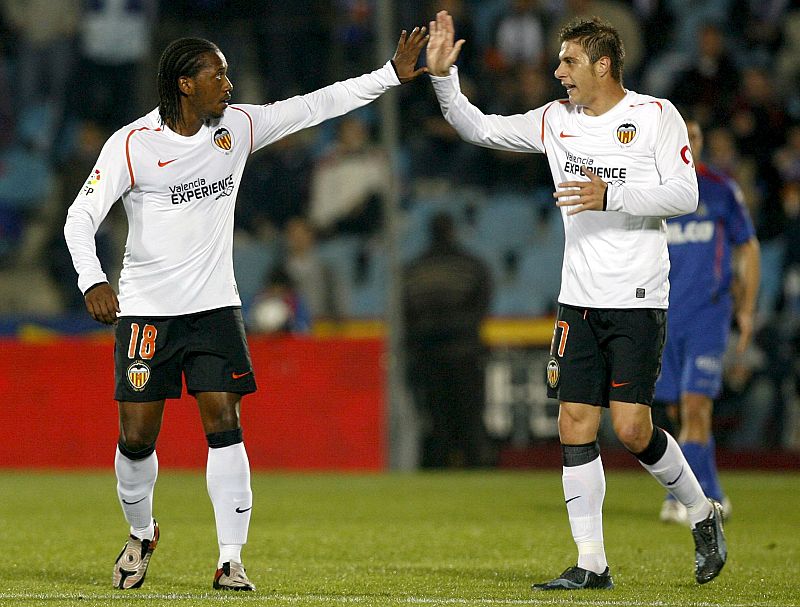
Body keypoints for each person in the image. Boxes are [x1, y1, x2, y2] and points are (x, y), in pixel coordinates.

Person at [63, 30, 429, 591]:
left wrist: (388, 74)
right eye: (218, 77)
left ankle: (230, 559)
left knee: (226, 425)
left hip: (214, 307)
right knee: (136, 438)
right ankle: (141, 534)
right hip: (146, 314)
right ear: (186, 84)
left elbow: (314, 106)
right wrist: (92, 279)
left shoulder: (238, 127)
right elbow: (79, 219)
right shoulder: (132, 144)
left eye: (230, 76)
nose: (229, 87)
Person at [426, 10, 726, 589]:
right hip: (577, 298)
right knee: (574, 422)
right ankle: (592, 563)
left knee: (634, 430)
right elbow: (478, 127)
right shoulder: (554, 120)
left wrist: (610, 194)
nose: (558, 71)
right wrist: (444, 78)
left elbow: (685, 194)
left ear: (603, 64)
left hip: (638, 296)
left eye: (569, 61)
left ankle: (700, 509)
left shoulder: (655, 115)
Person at [655, 120, 760, 525]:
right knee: (679, 415)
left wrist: (747, 309)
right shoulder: (654, 192)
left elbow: (748, 247)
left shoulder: (719, 190)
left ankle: (689, 501)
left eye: (694, 136)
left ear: (698, 143)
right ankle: (710, 493)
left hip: (707, 316)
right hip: (663, 317)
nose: (688, 142)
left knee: (696, 406)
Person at [403, 212, 493, 468]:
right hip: (464, 354)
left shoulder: (414, 270)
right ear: (452, 231)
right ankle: (475, 468)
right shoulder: (472, 266)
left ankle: (436, 469)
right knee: (470, 419)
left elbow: (407, 317)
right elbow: (479, 311)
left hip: (427, 357)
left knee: (435, 421)